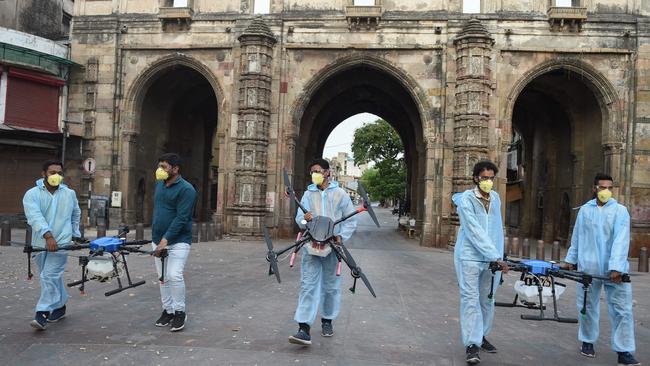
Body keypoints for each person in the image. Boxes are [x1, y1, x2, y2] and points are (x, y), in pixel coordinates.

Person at [562, 173, 640, 366]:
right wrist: (571, 260)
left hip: (614, 271)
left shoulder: (620, 211)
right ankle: (587, 340)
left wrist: (616, 268)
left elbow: (621, 241)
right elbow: (577, 237)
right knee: (587, 306)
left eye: (609, 188)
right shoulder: (585, 211)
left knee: (622, 309)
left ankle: (624, 351)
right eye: (602, 187)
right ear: (594, 188)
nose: (605, 191)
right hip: (588, 267)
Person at [288, 158, 357, 346]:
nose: (314, 175)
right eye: (312, 172)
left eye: (317, 171)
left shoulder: (340, 194)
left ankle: (327, 320)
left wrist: (341, 236)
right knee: (308, 285)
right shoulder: (308, 195)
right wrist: (305, 219)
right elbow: (300, 219)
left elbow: (350, 221)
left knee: (331, 286)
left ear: (327, 173)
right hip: (312, 245)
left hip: (332, 247)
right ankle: (304, 328)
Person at [452, 160, 509, 364]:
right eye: (484, 178)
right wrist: (495, 255)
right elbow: (474, 230)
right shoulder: (466, 200)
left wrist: (500, 256)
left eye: (491, 178)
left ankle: (481, 335)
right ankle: (471, 345)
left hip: (491, 258)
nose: (488, 181)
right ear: (475, 178)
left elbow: (496, 228)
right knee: (470, 299)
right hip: (469, 256)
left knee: (487, 299)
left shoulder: (495, 198)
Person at [23, 160, 81, 330]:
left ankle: (41, 313)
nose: (56, 176)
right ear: (44, 174)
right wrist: (48, 236)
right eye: (52, 172)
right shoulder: (32, 194)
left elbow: (75, 214)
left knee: (49, 276)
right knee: (50, 277)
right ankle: (60, 306)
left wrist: (74, 234)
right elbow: (34, 216)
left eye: (59, 173)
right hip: (40, 243)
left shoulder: (69, 194)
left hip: (62, 243)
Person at [151, 153, 196, 332]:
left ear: (175, 169)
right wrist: (158, 238)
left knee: (174, 275)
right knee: (163, 277)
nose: (160, 170)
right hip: (157, 240)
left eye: (164, 167)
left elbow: (182, 217)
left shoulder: (187, 190)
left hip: (178, 241)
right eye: (159, 166)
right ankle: (167, 310)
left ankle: (179, 312)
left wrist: (166, 239)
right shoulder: (159, 185)